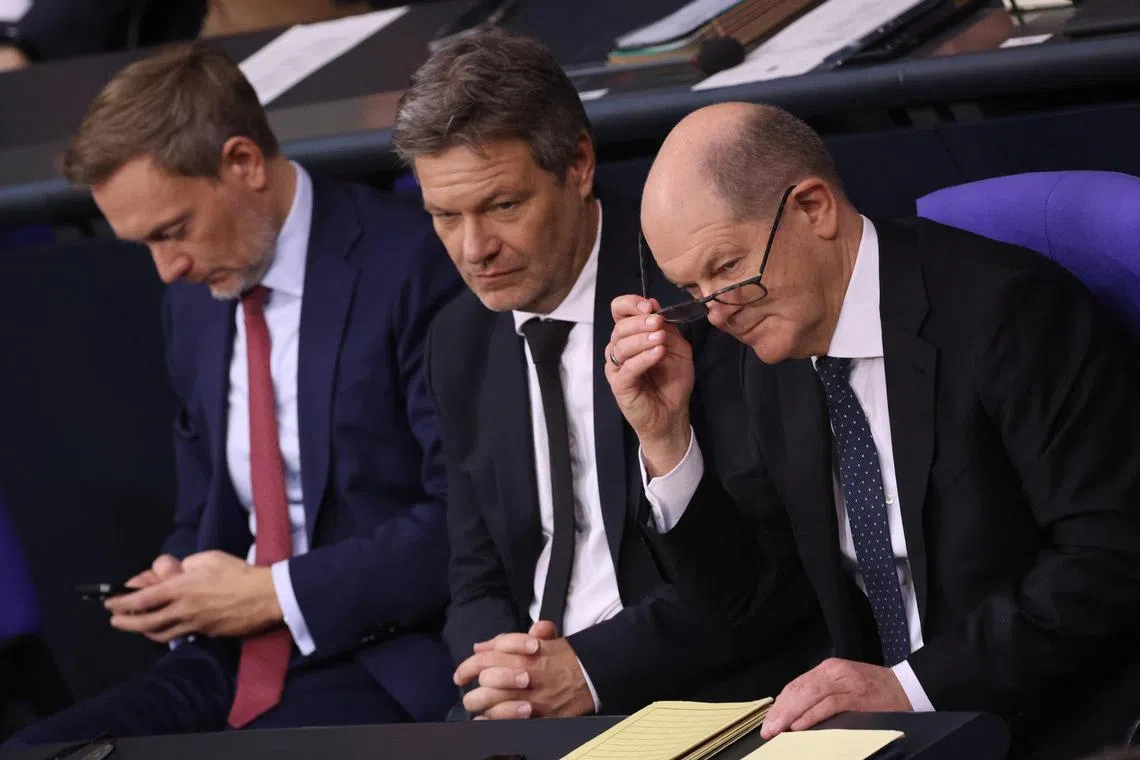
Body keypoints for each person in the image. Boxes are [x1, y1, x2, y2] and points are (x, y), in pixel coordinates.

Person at [606, 102, 1140, 758]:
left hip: (1054, 717)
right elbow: (757, 603)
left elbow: (1107, 561)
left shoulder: (1011, 313)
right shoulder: (773, 354)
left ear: (813, 208)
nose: (715, 315)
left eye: (726, 271)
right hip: (885, 734)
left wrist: (911, 688)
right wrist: (665, 439)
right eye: (691, 288)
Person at [5, 41, 461, 745]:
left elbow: (464, 520)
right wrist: (177, 578)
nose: (166, 269)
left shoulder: (411, 265)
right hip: (227, 655)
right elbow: (204, 506)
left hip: (376, 654)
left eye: (173, 231)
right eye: (143, 246)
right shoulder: (195, 300)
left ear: (243, 164)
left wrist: (273, 594)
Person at [392, 30, 825, 721]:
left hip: (691, 687)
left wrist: (590, 674)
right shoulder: (458, 336)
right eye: (445, 217)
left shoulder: (693, 292)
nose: (475, 250)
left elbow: (772, 570)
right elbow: (475, 564)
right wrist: (503, 668)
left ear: (579, 166)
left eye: (503, 207)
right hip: (527, 704)